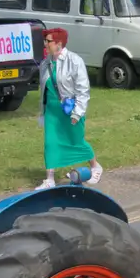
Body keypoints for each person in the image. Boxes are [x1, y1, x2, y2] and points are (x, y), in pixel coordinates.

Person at [36, 28, 101, 189]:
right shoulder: (46, 63)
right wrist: (43, 111)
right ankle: (49, 179)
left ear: (59, 43)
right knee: (50, 143)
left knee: (75, 141)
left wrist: (78, 112)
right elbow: (43, 88)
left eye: (48, 41)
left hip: (69, 109)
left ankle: (95, 166)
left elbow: (83, 89)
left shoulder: (74, 61)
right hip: (52, 111)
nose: (45, 44)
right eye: (45, 41)